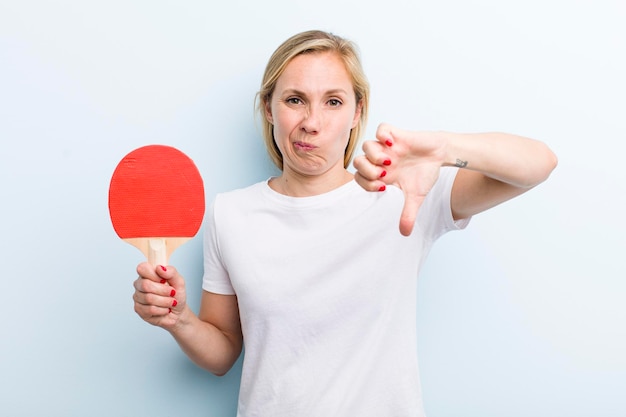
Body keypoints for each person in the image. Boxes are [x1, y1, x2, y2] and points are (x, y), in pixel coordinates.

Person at [132, 30, 557, 416]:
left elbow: (539, 164)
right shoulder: (231, 214)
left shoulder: (404, 195)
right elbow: (223, 354)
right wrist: (179, 318)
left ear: (358, 112)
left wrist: (444, 149)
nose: (311, 123)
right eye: (294, 99)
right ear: (268, 108)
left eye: (333, 101)